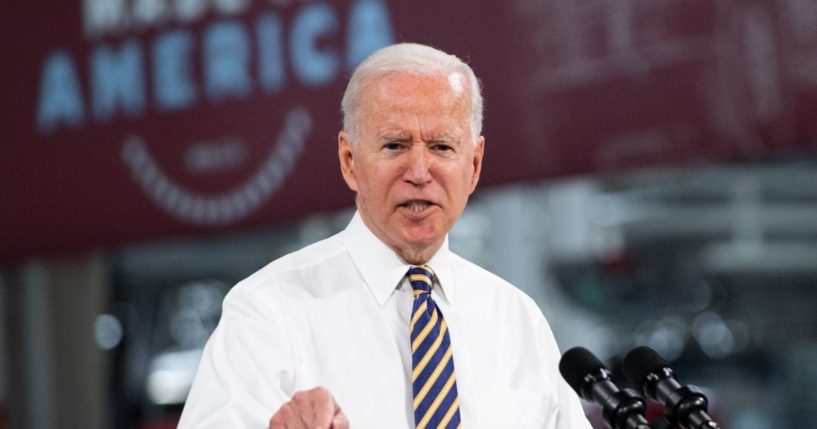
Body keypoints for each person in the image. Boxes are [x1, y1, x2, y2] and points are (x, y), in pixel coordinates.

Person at [178, 43, 591, 429]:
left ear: (475, 164)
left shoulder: (517, 320)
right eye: (394, 145)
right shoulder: (269, 312)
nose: (418, 172)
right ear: (349, 161)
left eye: (442, 147)